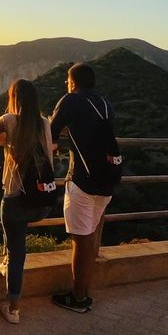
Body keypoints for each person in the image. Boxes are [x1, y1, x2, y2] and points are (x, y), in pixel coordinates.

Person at [49, 63, 119, 312]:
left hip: (82, 180)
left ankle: (78, 298)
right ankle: (84, 292)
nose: (66, 85)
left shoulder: (70, 100)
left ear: (73, 82)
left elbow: (50, 132)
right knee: (89, 238)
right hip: (107, 180)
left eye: (67, 81)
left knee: (81, 241)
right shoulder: (105, 103)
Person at [0, 79, 57, 323]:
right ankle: (5, 261)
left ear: (14, 98)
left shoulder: (8, 120)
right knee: (14, 240)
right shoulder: (44, 123)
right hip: (43, 201)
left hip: (16, 200)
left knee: (16, 247)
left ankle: (13, 308)